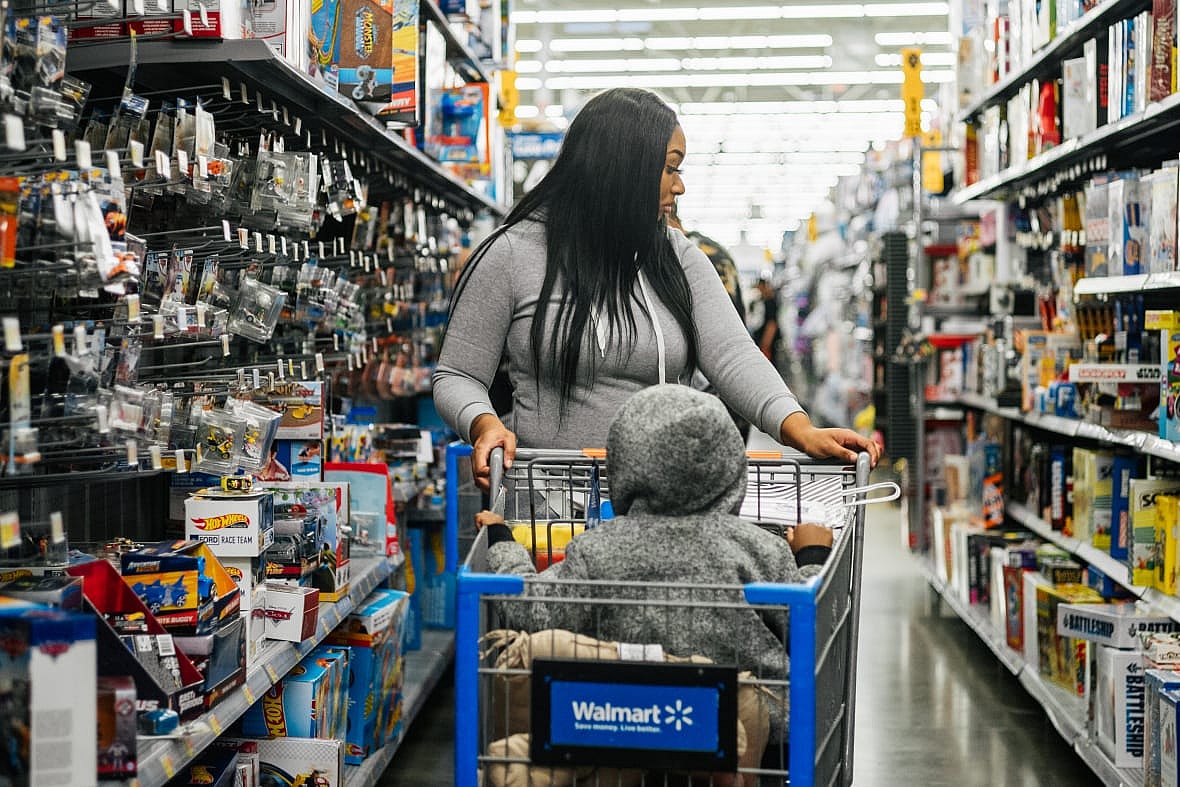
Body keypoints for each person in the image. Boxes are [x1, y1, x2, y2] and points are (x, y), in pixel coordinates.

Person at [432, 87, 880, 490]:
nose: (680, 186)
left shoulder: (675, 254)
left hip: (665, 504)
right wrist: (483, 423)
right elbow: (458, 374)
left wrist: (799, 427)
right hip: (552, 506)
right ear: (623, 170)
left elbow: (732, 354)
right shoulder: (513, 253)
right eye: (670, 169)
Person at [476, 384, 833, 750]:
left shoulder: (597, 551)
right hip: (755, 734)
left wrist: (503, 542)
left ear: (623, 467)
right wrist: (812, 557)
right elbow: (809, 627)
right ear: (731, 467)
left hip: (628, 730)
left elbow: (531, 611)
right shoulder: (760, 549)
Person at [751, 274, 780, 361]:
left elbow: (772, 324)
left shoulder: (770, 302)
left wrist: (766, 344)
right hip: (761, 339)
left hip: (767, 342)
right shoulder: (761, 300)